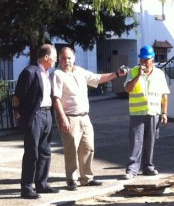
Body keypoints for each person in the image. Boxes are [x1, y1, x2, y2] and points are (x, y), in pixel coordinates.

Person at [52, 46, 128, 190]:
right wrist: (62, 117)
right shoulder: (57, 74)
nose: (66, 61)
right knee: (71, 149)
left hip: (84, 116)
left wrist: (117, 74)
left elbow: (98, 78)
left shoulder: (80, 71)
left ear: (74, 58)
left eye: (69, 58)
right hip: (69, 117)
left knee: (88, 147)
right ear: (59, 60)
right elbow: (55, 98)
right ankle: (71, 179)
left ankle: (86, 178)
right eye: (63, 58)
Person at [13, 44, 59, 199]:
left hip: (47, 114)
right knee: (32, 152)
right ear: (46, 57)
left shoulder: (47, 73)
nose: (56, 60)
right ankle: (26, 187)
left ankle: (42, 183)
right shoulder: (30, 72)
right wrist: (21, 115)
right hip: (34, 116)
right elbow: (18, 97)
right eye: (54, 57)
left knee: (45, 151)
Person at [123, 45, 170, 179]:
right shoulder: (133, 71)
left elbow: (164, 95)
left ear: (152, 60)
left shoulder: (160, 74)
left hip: (153, 112)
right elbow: (127, 89)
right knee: (136, 141)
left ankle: (148, 167)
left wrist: (164, 113)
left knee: (150, 141)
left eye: (146, 60)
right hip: (137, 113)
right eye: (141, 60)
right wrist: (139, 75)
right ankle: (132, 169)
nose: (143, 63)